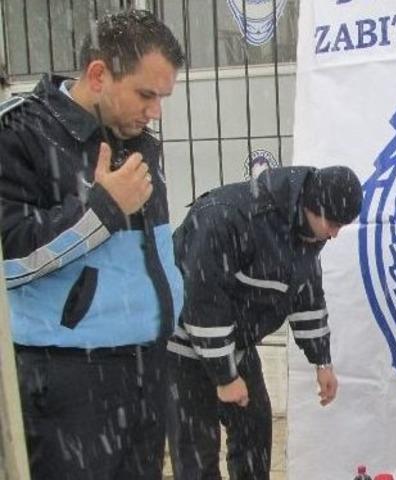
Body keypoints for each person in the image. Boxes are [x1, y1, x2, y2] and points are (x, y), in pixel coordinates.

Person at [0, 10, 185, 480]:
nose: (155, 111)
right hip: (69, 381)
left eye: (162, 97)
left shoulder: (136, 139)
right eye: (146, 94)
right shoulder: (20, 133)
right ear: (99, 74)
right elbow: (10, 259)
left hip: (147, 366)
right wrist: (102, 210)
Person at [166, 165, 362, 479]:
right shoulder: (227, 216)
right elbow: (204, 301)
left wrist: (322, 361)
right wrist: (224, 376)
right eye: (334, 224)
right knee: (197, 455)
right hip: (185, 349)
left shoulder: (307, 229)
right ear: (310, 205)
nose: (335, 234)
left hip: (238, 344)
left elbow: (306, 295)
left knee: (255, 436)